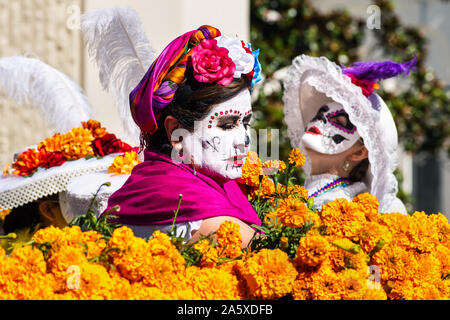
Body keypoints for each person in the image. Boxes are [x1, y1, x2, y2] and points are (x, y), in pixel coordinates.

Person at [103, 25, 262, 246]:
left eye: (245, 123)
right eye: (227, 125)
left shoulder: (147, 184)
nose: (244, 140)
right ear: (176, 135)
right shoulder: (209, 222)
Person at [282, 54, 416, 214]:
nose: (320, 121)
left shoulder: (346, 211)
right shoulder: (301, 195)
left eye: (338, 122)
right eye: (320, 114)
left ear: (359, 152)